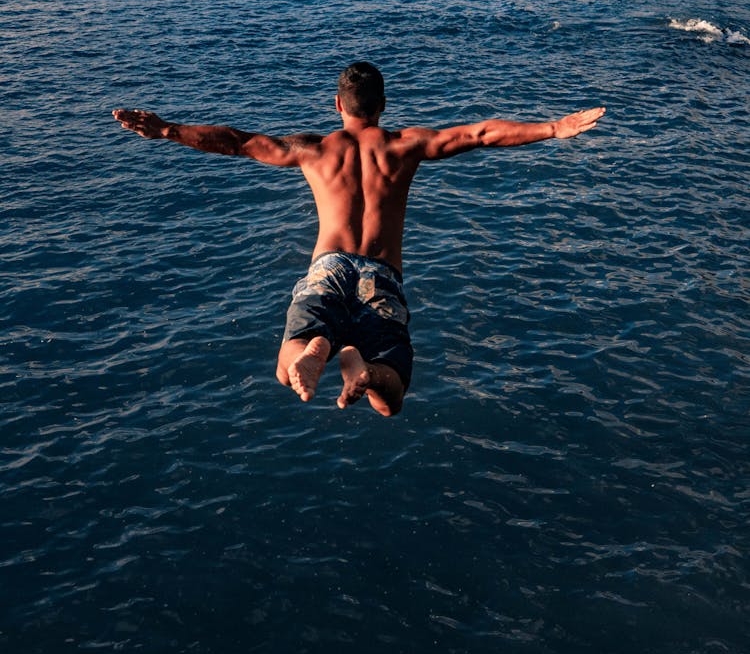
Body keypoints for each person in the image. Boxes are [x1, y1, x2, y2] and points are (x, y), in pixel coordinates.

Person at [113, 62, 604, 418]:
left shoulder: (314, 150)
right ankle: (361, 368)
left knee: (288, 370)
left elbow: (237, 141)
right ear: (383, 106)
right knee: (389, 401)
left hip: (327, 267)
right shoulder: (404, 146)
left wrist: (167, 130)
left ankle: (322, 344)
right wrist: (552, 128)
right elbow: (478, 134)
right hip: (381, 276)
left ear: (337, 105)